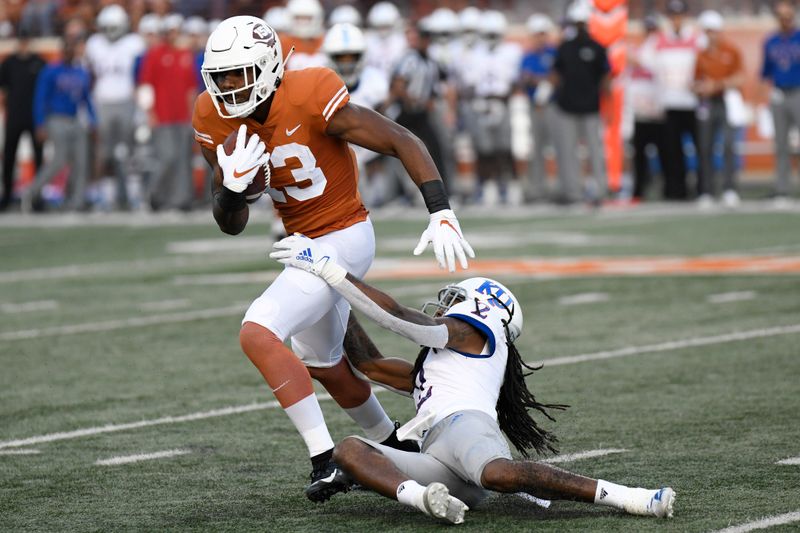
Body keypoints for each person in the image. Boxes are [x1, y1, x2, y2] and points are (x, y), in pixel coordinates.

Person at [191, 16, 474, 503]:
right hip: (302, 243)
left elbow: (401, 138)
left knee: (257, 331)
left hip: (344, 234)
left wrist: (440, 209)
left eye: (239, 73)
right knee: (326, 364)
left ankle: (325, 460)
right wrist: (232, 191)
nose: (229, 87)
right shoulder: (211, 117)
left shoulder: (310, 92)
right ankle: (391, 442)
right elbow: (229, 221)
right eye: (221, 77)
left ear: (266, 67)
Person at [270, 234, 677, 525]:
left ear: (484, 305)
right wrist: (333, 297)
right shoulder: (445, 365)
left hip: (467, 429)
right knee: (350, 452)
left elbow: (403, 319)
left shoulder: (480, 328)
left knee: (498, 474)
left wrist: (332, 270)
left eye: (456, 299)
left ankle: (631, 498)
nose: (446, 304)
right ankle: (424, 501)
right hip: (439, 461)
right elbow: (369, 364)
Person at [25, 28, 95, 212]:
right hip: (56, 119)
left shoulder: (81, 72)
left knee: (81, 160)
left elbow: (86, 99)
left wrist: (93, 120)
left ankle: (77, 201)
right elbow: (40, 98)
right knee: (60, 159)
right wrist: (40, 123)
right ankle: (32, 192)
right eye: (68, 48)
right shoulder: (51, 71)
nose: (71, 51)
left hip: (74, 119)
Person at [641, 0, 704, 200]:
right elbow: (642, 58)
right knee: (672, 151)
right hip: (669, 102)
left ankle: (703, 189)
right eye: (673, 15)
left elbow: (708, 62)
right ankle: (678, 190)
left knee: (700, 147)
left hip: (692, 102)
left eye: (680, 15)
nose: (676, 19)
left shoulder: (696, 38)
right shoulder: (658, 40)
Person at [85, 5, 145, 210]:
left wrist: (140, 107)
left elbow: (139, 76)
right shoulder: (94, 44)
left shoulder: (133, 43)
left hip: (126, 101)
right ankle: (105, 195)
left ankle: (129, 194)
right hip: (102, 102)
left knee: (127, 152)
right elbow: (90, 76)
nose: (111, 32)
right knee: (104, 153)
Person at [551, 2, 610, 205]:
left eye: (581, 23)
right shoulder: (565, 47)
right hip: (567, 106)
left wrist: (604, 98)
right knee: (569, 153)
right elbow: (557, 74)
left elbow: (606, 75)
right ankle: (573, 192)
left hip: (591, 106)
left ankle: (601, 190)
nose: (579, 27)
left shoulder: (597, 47)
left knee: (595, 151)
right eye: (576, 23)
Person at [139, 13, 197, 211]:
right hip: (162, 116)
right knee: (168, 157)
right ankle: (153, 193)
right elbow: (145, 86)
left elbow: (191, 88)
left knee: (183, 159)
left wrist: (192, 115)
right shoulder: (155, 54)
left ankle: (181, 199)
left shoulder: (185, 55)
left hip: (182, 117)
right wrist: (149, 112)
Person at [693, 10, 744, 209]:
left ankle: (729, 188)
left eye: (713, 30)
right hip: (707, 103)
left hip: (727, 101)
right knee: (705, 146)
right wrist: (698, 87)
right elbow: (696, 81)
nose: (710, 35)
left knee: (728, 146)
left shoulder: (731, 51)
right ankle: (706, 190)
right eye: (707, 31)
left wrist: (717, 85)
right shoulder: (701, 55)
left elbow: (740, 78)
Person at [0, 28, 45, 211]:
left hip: (35, 117)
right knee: (9, 157)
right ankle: (7, 196)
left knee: (38, 158)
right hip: (15, 116)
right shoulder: (9, 63)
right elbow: (2, 90)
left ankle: (36, 197)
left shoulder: (39, 62)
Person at [762, 0, 800, 205]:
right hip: (779, 93)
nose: (785, 21)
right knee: (781, 144)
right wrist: (763, 96)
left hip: (799, 92)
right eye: (781, 17)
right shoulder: (771, 41)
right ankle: (783, 188)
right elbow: (765, 71)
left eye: (788, 17)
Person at [628, 14, 667, 202]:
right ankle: (639, 190)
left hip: (659, 110)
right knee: (639, 155)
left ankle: (669, 187)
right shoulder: (639, 49)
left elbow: (660, 69)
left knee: (664, 152)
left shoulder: (661, 50)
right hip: (640, 111)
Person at [520, 14, 557, 203]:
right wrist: (542, 79)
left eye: (542, 33)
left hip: (554, 106)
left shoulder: (554, 53)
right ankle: (537, 189)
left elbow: (557, 77)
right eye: (537, 34)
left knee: (559, 147)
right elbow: (525, 78)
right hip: (536, 107)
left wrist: (539, 79)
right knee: (537, 148)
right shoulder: (528, 56)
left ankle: (558, 187)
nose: (540, 38)